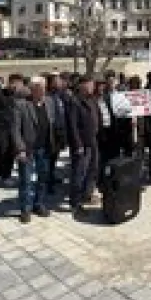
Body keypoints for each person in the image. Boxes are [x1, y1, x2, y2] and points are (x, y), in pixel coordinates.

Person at [11, 77, 60, 222]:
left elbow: (53, 123)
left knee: (43, 178)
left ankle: (39, 204)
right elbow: (15, 130)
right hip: (28, 149)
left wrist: (56, 143)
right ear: (32, 90)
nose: (42, 91)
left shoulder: (49, 102)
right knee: (26, 180)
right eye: (38, 88)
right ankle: (25, 209)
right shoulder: (21, 105)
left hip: (45, 148)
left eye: (43, 88)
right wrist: (20, 148)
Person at [68, 76, 100, 213]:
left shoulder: (92, 100)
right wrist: (78, 144)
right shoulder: (75, 102)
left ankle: (87, 194)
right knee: (79, 173)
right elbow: (72, 126)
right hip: (82, 143)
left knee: (93, 169)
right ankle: (75, 202)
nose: (92, 87)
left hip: (93, 140)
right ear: (82, 86)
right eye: (90, 85)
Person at [0, 74, 23, 189]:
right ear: (10, 83)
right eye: (15, 84)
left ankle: (6, 176)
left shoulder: (19, 96)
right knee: (2, 151)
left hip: (13, 127)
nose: (16, 86)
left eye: (19, 84)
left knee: (11, 152)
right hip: (0, 127)